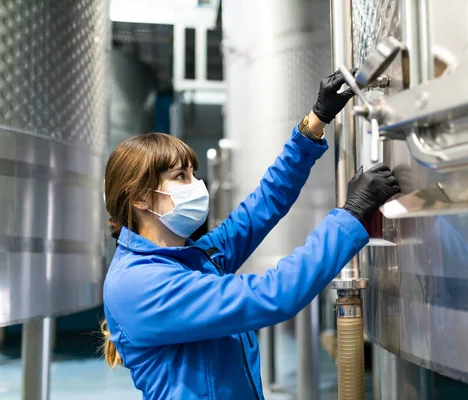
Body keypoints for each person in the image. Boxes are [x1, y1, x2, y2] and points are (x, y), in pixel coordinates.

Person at [100, 69, 400, 400]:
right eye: (180, 176)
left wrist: (316, 120)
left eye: (193, 173)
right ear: (140, 197)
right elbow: (273, 295)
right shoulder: (139, 284)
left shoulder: (192, 258)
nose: (196, 185)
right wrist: (351, 214)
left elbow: (262, 207)